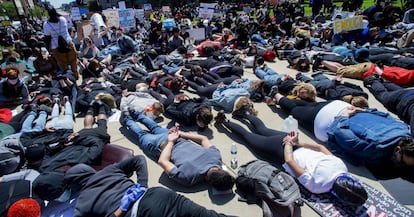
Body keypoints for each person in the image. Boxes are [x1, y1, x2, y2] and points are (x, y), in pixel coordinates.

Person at [214, 112, 368, 205]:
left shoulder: (342, 167)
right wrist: (288, 144)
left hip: (294, 144)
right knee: (249, 137)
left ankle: (246, 113)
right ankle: (225, 121)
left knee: (262, 129)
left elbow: (321, 148)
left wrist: (296, 142)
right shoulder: (319, 187)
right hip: (282, 150)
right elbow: (289, 162)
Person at [268, 92, 414, 177]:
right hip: (325, 119)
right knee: (293, 110)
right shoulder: (374, 148)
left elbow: (383, 114)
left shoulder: (404, 130)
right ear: (399, 149)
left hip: (340, 105)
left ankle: (280, 93)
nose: (400, 163)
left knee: (307, 105)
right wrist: (344, 117)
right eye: (401, 160)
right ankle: (275, 94)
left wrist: (360, 111)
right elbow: (339, 132)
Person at [64, 156, 231, 217]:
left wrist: (119, 211)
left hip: (143, 212)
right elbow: (139, 159)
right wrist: (141, 185)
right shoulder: (108, 171)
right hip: (159, 195)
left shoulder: (82, 203)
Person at [120, 110, 234, 190]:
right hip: (162, 145)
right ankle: (127, 119)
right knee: (141, 133)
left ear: (221, 169)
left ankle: (133, 113)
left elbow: (203, 139)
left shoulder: (216, 157)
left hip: (175, 138)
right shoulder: (188, 178)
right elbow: (163, 161)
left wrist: (180, 134)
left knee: (155, 127)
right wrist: (171, 141)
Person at [43, 7, 79, 79]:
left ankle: (69, 79)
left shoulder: (46, 25)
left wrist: (48, 49)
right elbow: (68, 29)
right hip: (68, 43)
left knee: (63, 64)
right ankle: (76, 76)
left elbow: (47, 39)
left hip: (56, 47)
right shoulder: (63, 19)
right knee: (73, 61)